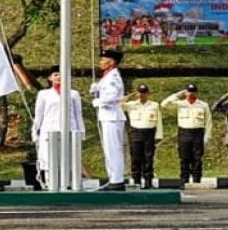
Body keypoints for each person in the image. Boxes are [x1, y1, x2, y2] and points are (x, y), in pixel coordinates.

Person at [31, 66, 84, 187]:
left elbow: (78, 114)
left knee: (69, 157)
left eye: (61, 74)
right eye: (56, 75)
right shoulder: (44, 94)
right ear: (50, 78)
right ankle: (50, 183)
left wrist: (81, 132)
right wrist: (35, 131)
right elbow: (38, 115)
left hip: (70, 129)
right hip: (49, 130)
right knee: (49, 158)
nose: (59, 77)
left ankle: (70, 183)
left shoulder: (74, 94)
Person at [89, 49, 128, 191]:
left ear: (111, 62)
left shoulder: (113, 77)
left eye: (103, 60)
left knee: (113, 149)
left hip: (112, 116)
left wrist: (98, 101)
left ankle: (117, 180)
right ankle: (113, 178)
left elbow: (112, 97)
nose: (100, 62)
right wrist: (96, 89)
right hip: (107, 116)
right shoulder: (107, 76)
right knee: (109, 149)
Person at [161, 83, 212, 186]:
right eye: (189, 91)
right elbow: (164, 104)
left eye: (193, 91)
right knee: (184, 158)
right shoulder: (180, 104)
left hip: (198, 133)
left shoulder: (203, 105)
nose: (191, 94)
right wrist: (178, 94)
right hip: (184, 133)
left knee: (197, 158)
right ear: (185, 92)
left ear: (196, 93)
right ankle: (184, 180)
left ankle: (197, 180)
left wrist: (207, 136)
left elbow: (208, 121)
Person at [121, 84, 163, 189]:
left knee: (148, 158)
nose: (142, 95)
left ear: (148, 94)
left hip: (149, 133)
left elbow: (159, 121)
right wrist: (129, 96)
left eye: (144, 93)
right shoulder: (131, 105)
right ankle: (137, 182)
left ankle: (148, 182)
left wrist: (159, 135)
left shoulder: (154, 105)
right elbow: (118, 105)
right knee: (136, 158)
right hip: (136, 133)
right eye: (140, 92)